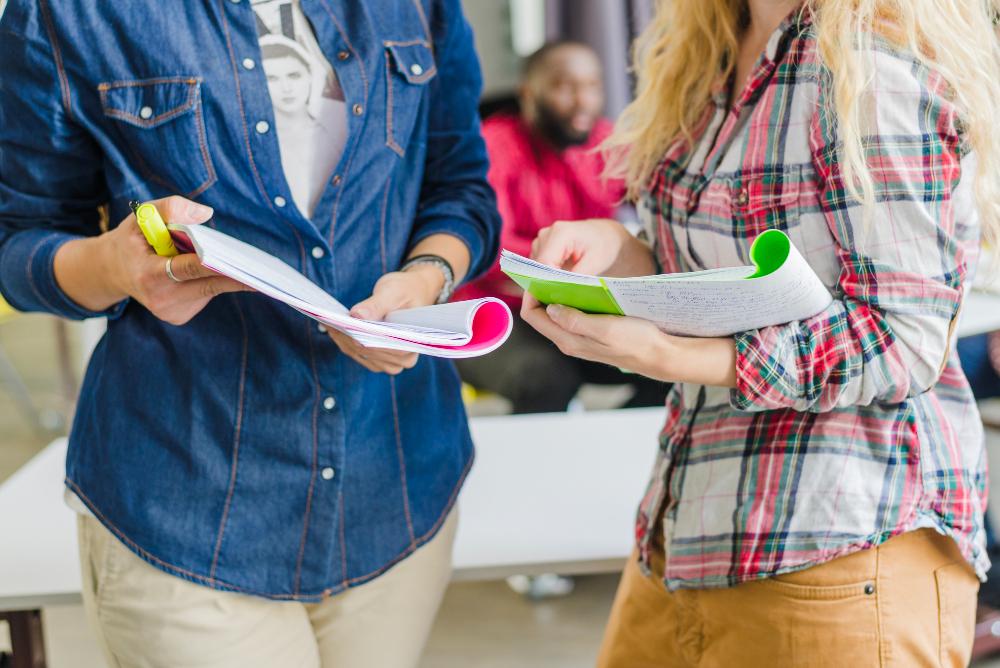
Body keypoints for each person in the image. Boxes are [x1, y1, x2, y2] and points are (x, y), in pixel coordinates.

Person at [0, 0, 500, 666]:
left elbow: (459, 182)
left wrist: (427, 278)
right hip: (185, 498)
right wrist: (114, 265)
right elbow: (19, 240)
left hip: (393, 482)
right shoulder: (66, 13)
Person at [521, 0, 1000, 665]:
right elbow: (702, 270)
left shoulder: (870, 61)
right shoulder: (706, 55)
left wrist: (678, 355)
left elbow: (905, 337)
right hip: (686, 534)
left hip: (841, 545)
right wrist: (615, 247)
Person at [453, 41, 669, 414]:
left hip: (571, 307)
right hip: (491, 310)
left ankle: (606, 452)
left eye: (593, 86)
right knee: (547, 380)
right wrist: (571, 263)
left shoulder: (607, 143)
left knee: (667, 366)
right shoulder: (491, 147)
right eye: (566, 87)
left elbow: (656, 206)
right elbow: (486, 249)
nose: (583, 100)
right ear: (528, 93)